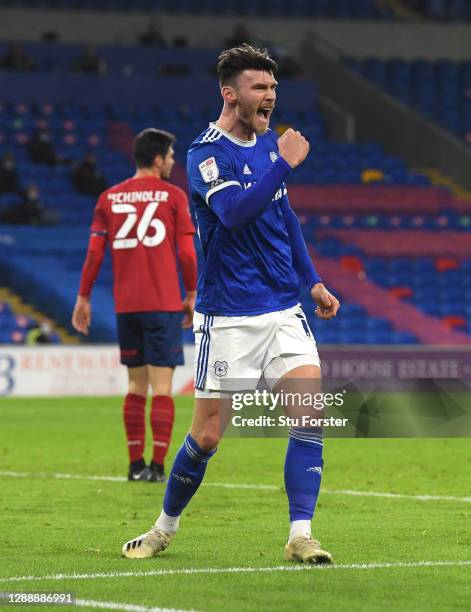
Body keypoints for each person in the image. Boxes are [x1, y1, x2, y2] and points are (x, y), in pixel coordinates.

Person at [121, 45, 340, 563]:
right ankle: (163, 528)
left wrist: (311, 281)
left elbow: (286, 222)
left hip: (284, 308)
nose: (270, 97)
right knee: (209, 433)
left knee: (309, 416)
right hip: (228, 316)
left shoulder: (267, 146)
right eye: (259, 88)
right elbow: (237, 213)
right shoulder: (204, 154)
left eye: (273, 88)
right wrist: (283, 166)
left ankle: (300, 535)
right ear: (230, 93)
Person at [72, 128, 197, 483]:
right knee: (161, 387)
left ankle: (133, 465)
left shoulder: (108, 198)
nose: (173, 160)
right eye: (171, 155)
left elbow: (95, 254)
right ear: (158, 159)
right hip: (162, 304)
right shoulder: (173, 197)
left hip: (127, 306)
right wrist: (190, 294)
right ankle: (157, 467)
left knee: (134, 386)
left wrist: (83, 297)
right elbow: (187, 253)